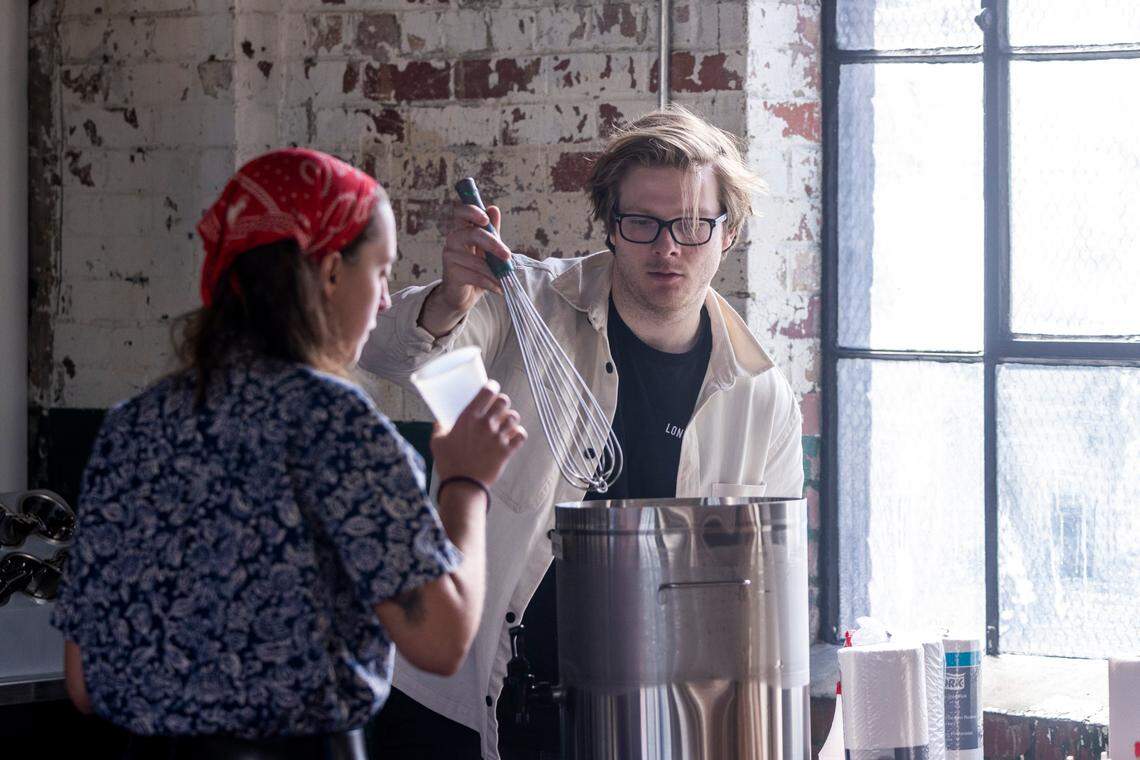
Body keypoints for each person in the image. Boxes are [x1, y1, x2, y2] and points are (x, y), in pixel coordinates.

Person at [51, 148, 526, 760]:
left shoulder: (130, 427)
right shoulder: (336, 427)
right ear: (329, 274)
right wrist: (466, 482)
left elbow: (83, 681)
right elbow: (440, 642)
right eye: (381, 272)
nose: (385, 301)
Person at [363, 105, 805, 759]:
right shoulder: (523, 304)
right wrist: (450, 300)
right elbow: (386, 352)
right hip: (465, 702)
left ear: (728, 233)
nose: (667, 248)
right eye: (641, 223)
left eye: (692, 225)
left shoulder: (760, 396)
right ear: (610, 227)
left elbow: (766, 597)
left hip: (641, 724)